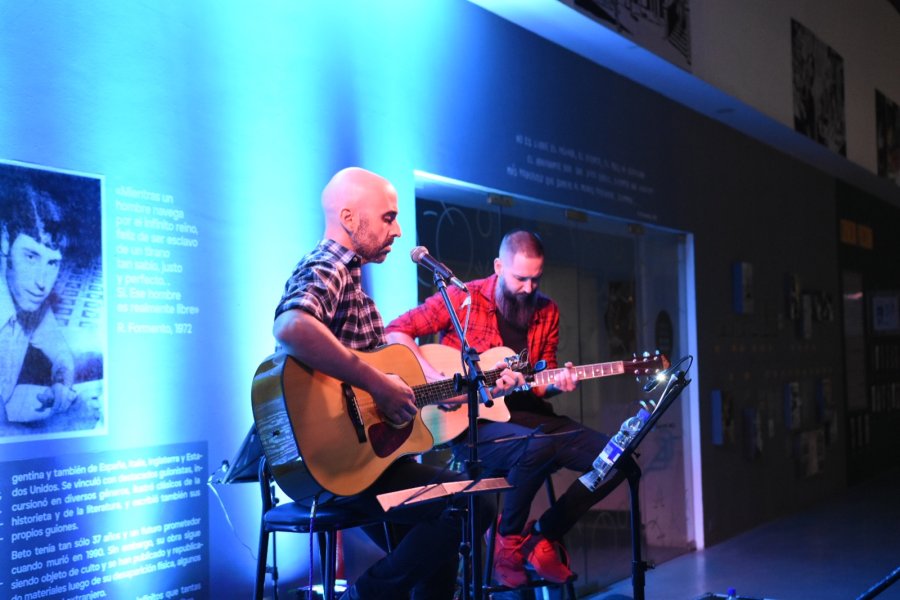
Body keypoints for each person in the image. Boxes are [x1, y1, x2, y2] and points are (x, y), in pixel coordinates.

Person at [272, 167, 525, 600]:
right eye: (388, 218)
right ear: (350, 218)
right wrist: (380, 384)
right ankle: (369, 593)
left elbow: (384, 393)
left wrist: (448, 394)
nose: (399, 230)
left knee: (445, 532)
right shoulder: (328, 265)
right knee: (469, 503)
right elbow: (291, 326)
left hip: (368, 461)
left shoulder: (351, 278)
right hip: (339, 468)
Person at [386, 229, 636, 589]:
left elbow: (539, 378)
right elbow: (398, 330)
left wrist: (557, 381)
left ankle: (544, 534)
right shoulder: (463, 297)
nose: (529, 288)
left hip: (527, 415)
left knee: (617, 458)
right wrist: (436, 376)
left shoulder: (546, 311)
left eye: (536, 279)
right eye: (521, 278)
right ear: (499, 266)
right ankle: (507, 540)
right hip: (475, 423)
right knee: (537, 445)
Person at [1, 184, 76, 424]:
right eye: (31, 257)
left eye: (52, 263)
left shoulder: (31, 302)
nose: (42, 283)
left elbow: (61, 353)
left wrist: (61, 384)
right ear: (4, 241)